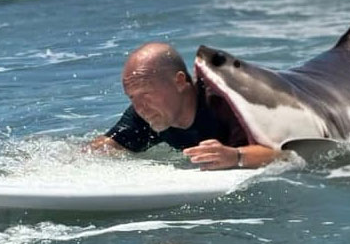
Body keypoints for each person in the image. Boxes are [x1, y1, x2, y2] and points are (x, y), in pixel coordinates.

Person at [88, 40, 278, 171]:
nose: (140, 107)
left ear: (179, 82)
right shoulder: (148, 113)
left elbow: (286, 152)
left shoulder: (227, 102)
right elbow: (107, 146)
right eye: (132, 97)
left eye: (146, 94)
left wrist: (237, 156)